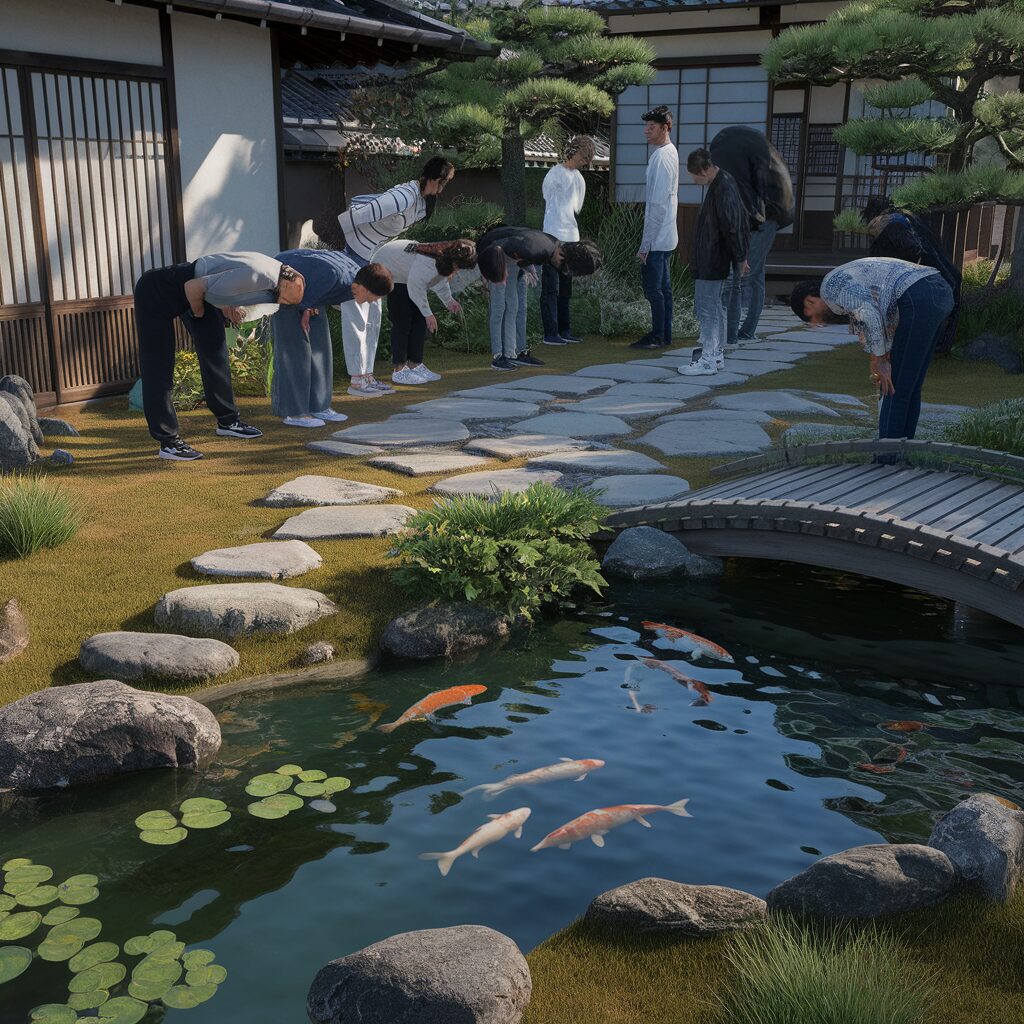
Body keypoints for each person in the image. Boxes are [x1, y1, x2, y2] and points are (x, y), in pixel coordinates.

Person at [134, 252, 304, 461]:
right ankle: (168, 441)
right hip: (157, 291)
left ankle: (228, 421)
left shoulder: (276, 272)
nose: (283, 302)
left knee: (216, 352)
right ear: (284, 284)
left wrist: (227, 305)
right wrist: (197, 313)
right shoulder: (261, 276)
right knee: (158, 366)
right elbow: (192, 288)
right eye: (285, 299)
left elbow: (224, 278)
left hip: (197, 291)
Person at [790, 257, 954, 440]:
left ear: (810, 302)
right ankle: (903, 450)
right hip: (939, 290)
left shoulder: (830, 288)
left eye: (814, 319)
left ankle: (887, 456)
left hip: (918, 293)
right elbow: (879, 320)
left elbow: (869, 314)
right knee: (910, 385)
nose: (821, 323)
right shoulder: (846, 281)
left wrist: (881, 360)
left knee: (893, 387)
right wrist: (879, 357)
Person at [337, 156, 455, 396]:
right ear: (435, 178)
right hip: (354, 254)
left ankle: (367, 375)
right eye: (444, 181)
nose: (445, 186)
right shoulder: (404, 196)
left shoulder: (422, 204)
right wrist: (341, 248)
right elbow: (357, 215)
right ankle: (357, 380)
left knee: (374, 318)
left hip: (372, 258)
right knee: (357, 318)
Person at [270, 252, 393, 427]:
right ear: (365, 289)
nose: (371, 302)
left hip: (311, 289)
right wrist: (306, 310)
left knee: (320, 348)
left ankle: (319, 406)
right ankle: (295, 412)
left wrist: (310, 308)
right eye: (372, 298)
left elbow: (316, 293)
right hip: (286, 288)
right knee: (295, 351)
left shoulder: (357, 279)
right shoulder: (335, 275)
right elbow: (301, 296)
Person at [709, 125, 795, 345]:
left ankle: (730, 333)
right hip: (772, 214)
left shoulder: (745, 167)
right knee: (755, 275)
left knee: (739, 274)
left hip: (768, 216)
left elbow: (751, 201)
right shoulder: (759, 157)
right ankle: (746, 330)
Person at [476, 227, 603, 371]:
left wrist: (526, 267)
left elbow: (521, 249)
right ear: (562, 255)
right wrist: (493, 271)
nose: (559, 267)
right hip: (495, 254)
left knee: (517, 307)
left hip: (510, 258)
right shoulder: (540, 249)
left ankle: (514, 352)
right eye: (562, 265)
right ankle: (498, 356)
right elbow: (501, 246)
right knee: (500, 308)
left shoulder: (551, 245)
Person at [862, 196, 962, 355]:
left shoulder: (892, 223)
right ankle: (938, 345)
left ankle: (935, 345)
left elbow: (913, 249)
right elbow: (914, 248)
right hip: (925, 275)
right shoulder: (903, 219)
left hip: (915, 275)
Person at [680, 148, 749, 377]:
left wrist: (740, 257)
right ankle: (716, 355)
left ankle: (708, 358)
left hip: (714, 257)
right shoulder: (721, 184)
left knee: (707, 309)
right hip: (713, 256)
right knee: (714, 308)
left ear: (704, 170)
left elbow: (733, 225)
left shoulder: (723, 187)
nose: (693, 179)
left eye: (694, 175)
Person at [374, 239, 478, 384]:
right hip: (391, 271)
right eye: (459, 267)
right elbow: (416, 286)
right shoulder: (429, 260)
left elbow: (439, 281)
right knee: (402, 321)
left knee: (419, 320)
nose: (458, 270)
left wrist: (449, 301)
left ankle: (415, 364)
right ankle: (399, 370)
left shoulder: (444, 258)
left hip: (407, 275)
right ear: (454, 262)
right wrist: (428, 314)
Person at [631, 105, 679, 351]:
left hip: (659, 236)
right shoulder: (669, 152)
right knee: (663, 289)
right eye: (646, 127)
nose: (646, 132)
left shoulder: (662, 157)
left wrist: (645, 244)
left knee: (654, 289)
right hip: (666, 234)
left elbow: (658, 205)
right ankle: (664, 334)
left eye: (652, 127)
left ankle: (658, 335)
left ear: (665, 127)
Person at [541, 135, 596, 346]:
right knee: (550, 287)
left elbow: (577, 208)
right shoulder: (554, 174)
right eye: (583, 157)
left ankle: (565, 329)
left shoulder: (579, 179)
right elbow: (548, 198)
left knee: (566, 287)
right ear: (573, 153)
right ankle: (551, 332)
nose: (584, 162)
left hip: (572, 236)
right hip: (552, 235)